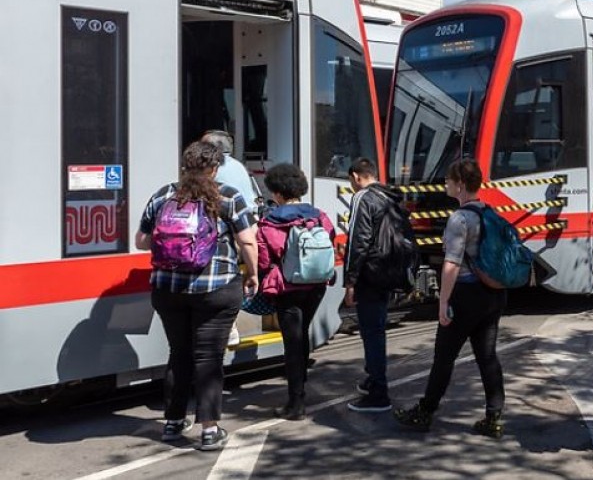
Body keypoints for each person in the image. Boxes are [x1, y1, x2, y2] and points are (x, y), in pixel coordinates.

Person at [135, 141, 258, 451]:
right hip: (214, 289)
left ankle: (173, 423)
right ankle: (209, 429)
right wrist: (252, 273)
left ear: (184, 166)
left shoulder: (164, 194)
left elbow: (141, 241)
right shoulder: (227, 195)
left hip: (168, 289)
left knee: (179, 353)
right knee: (208, 358)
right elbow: (247, 241)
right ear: (215, 168)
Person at [394, 159, 508, 436]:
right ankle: (494, 418)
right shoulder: (489, 212)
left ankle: (425, 412)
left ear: (459, 184)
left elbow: (452, 264)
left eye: (447, 180)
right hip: (493, 293)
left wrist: (443, 301)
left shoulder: (459, 218)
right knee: (487, 356)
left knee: (444, 357)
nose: (445, 184)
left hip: (466, 295)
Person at [255, 162, 334, 420]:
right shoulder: (319, 216)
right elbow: (329, 241)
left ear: (277, 193)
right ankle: (300, 387)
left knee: (292, 341)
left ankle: (296, 402)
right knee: (301, 335)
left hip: (288, 288)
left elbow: (264, 261)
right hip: (317, 285)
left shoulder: (268, 223)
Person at [344, 157, 406, 413]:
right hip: (389, 271)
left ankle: (378, 391)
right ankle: (373, 379)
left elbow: (358, 242)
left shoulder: (363, 198)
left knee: (371, 332)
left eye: (351, 181)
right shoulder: (389, 196)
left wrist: (350, 281)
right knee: (377, 329)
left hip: (370, 274)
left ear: (357, 177)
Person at [201, 130, 262, 217]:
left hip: (236, 219)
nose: (199, 149)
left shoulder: (215, 166)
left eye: (202, 146)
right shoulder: (237, 164)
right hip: (250, 215)